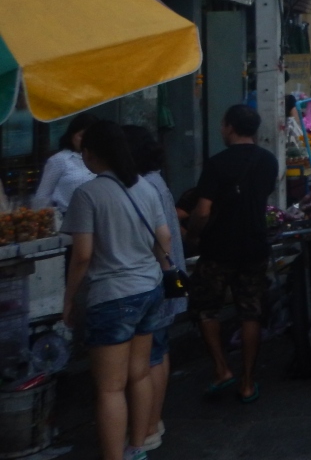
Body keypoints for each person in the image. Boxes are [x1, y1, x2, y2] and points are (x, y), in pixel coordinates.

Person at [62, 121, 173, 460]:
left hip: (112, 295)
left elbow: (82, 255)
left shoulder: (87, 194)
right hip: (149, 289)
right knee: (139, 374)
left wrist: (69, 299)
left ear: (90, 153)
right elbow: (164, 238)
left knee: (110, 388)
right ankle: (137, 447)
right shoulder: (145, 187)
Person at [187, 105, 279, 405]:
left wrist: (193, 233)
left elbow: (203, 210)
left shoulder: (217, 164)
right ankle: (248, 382)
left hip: (219, 247)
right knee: (250, 311)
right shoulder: (268, 160)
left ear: (229, 127)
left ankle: (221, 368)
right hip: (254, 244)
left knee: (206, 308)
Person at [123, 126, 186, 453]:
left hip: (154, 278)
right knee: (157, 353)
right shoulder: (156, 182)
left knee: (150, 357)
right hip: (163, 277)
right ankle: (152, 422)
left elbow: (160, 238)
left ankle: (148, 426)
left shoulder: (144, 186)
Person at [33, 111, 99, 215]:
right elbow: (42, 196)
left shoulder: (99, 159)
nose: (86, 141)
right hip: (67, 216)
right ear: (72, 135)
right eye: (82, 136)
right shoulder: (59, 160)